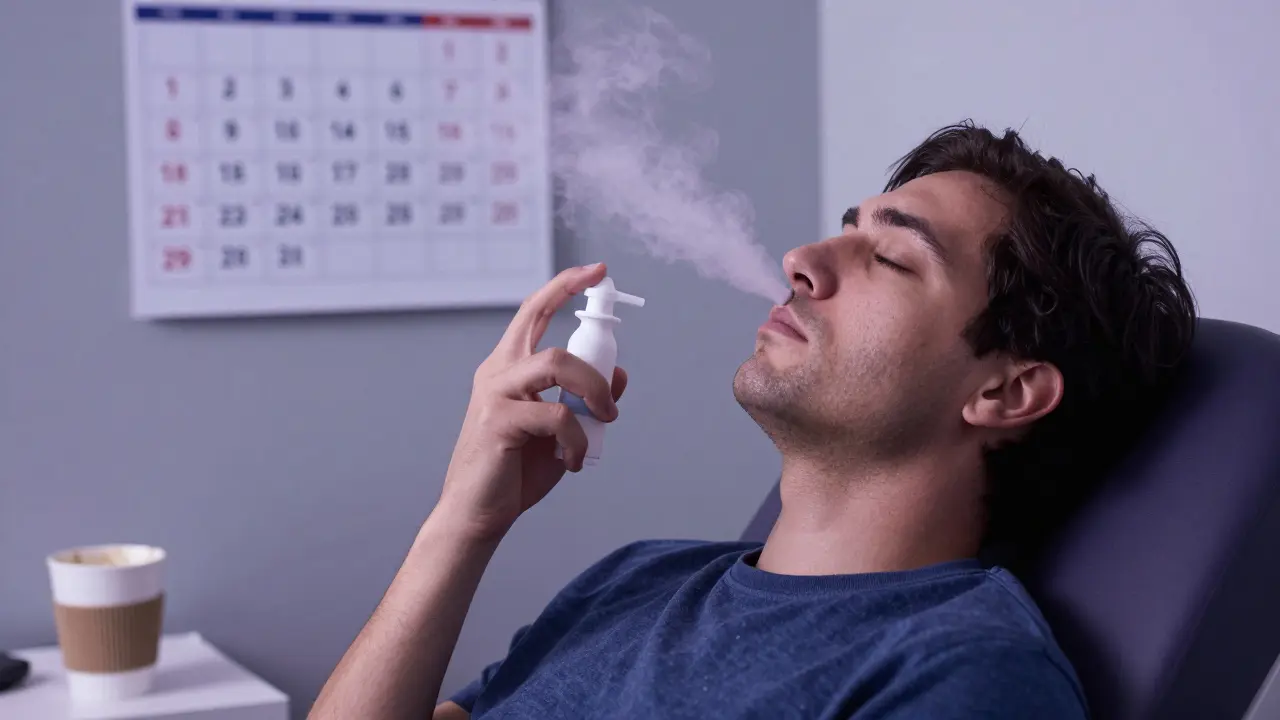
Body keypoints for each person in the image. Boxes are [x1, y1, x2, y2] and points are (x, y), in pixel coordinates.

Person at [309, 122, 1197, 719]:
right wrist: (462, 521)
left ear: (1005, 394)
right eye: (845, 229)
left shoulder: (960, 673)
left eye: (890, 255)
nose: (802, 260)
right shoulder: (635, 581)